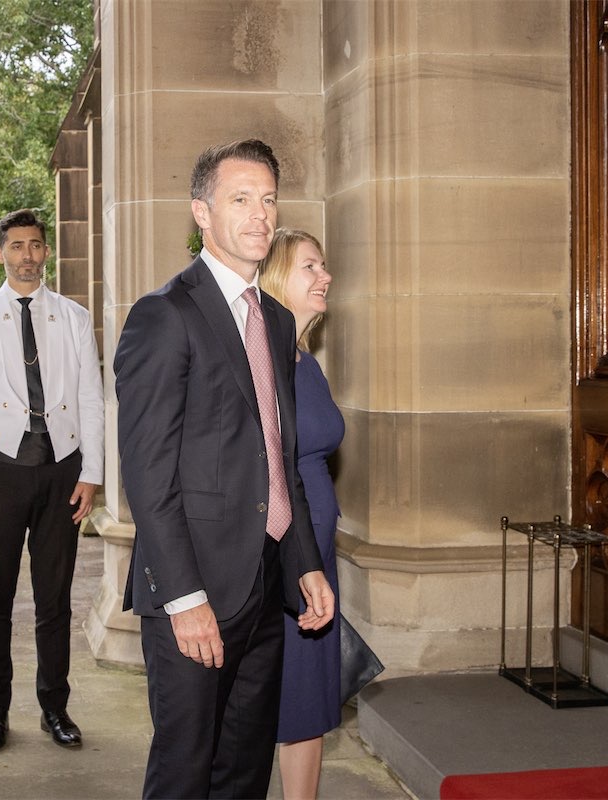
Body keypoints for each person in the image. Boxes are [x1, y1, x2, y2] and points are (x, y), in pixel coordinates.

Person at [114, 139, 335, 799]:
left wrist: (303, 562)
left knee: (243, 774)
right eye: (241, 199)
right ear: (201, 214)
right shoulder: (164, 315)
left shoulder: (273, 318)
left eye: (268, 200)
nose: (260, 215)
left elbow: (279, 455)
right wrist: (184, 600)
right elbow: (147, 476)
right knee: (185, 773)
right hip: (195, 592)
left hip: (265, 590)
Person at [0, 209, 104, 752]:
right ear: (0, 254)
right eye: (16, 246)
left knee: (54, 599)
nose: (28, 255)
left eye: (35, 245)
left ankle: (54, 707)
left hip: (61, 470)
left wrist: (92, 472)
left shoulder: (74, 317)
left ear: (45, 252)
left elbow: (90, 398)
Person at [258, 228, 342, 800]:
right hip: (285, 551)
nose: (325, 276)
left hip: (320, 550)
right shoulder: (261, 361)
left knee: (308, 702)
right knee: (274, 698)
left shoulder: (304, 359)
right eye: (310, 266)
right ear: (276, 278)